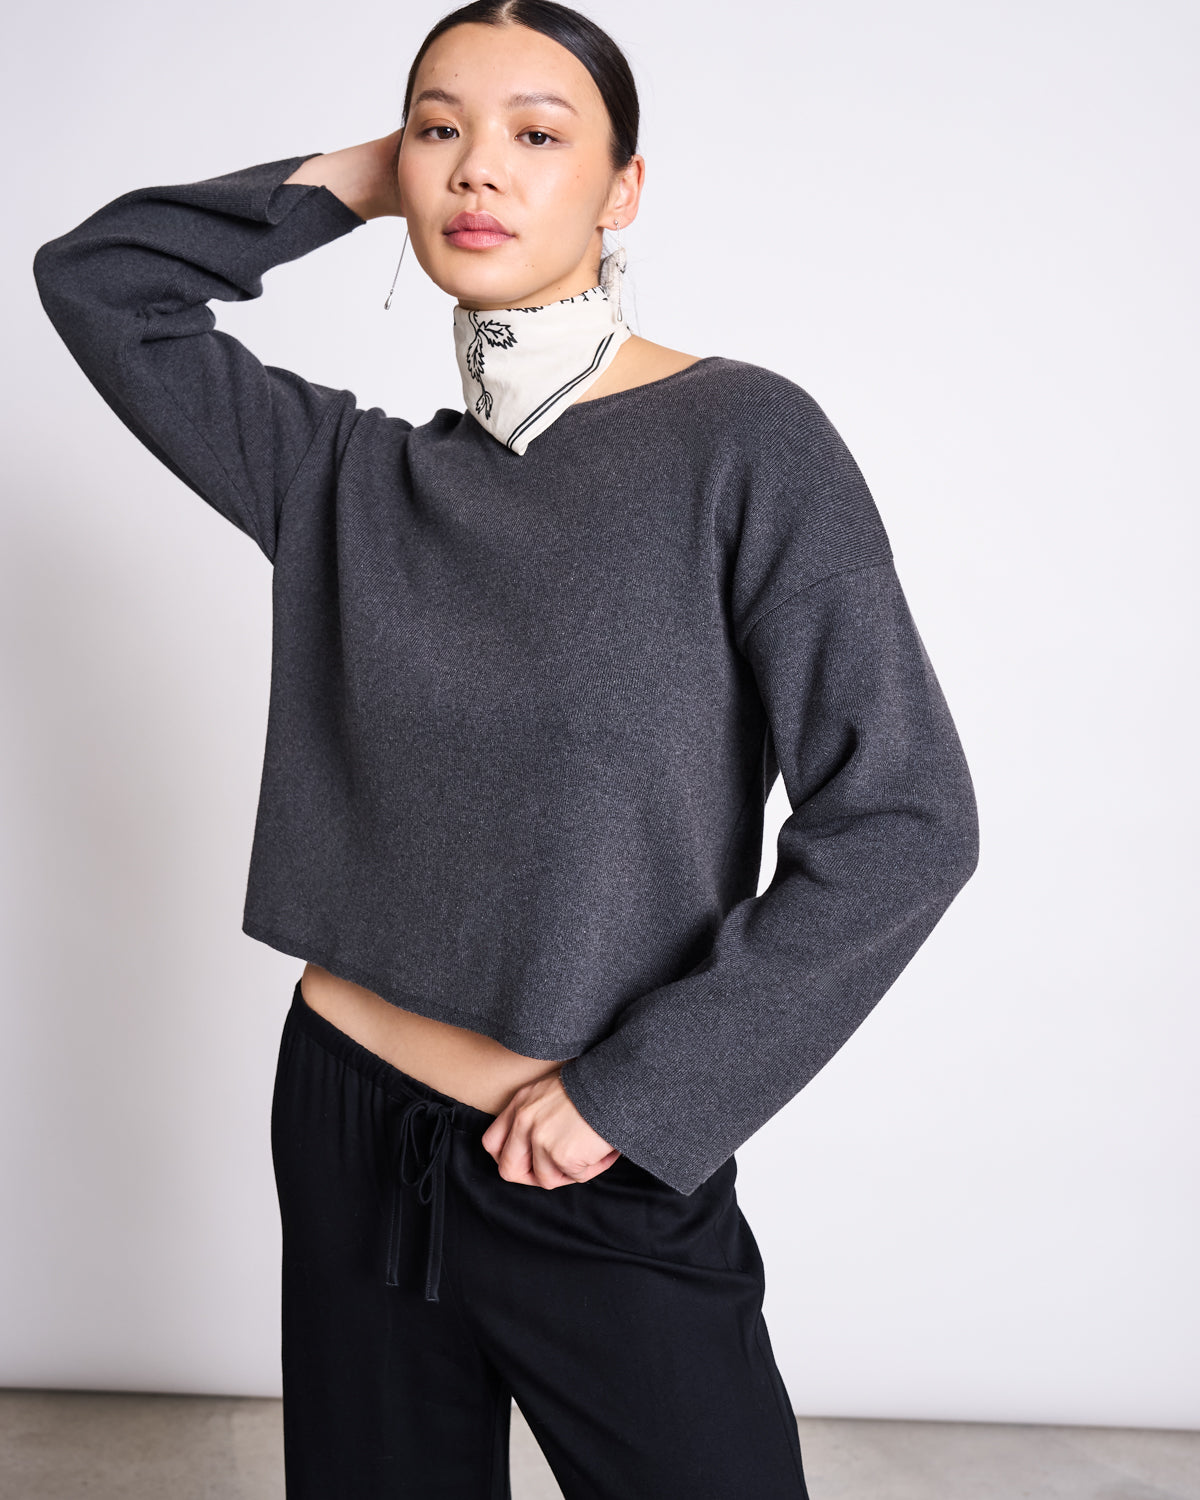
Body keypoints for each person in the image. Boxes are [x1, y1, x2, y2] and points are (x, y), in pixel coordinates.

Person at [31, 1, 980, 1495]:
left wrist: (641, 1099)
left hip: (587, 1149)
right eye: (440, 129)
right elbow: (103, 284)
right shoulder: (352, 478)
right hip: (345, 1124)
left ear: (624, 193)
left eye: (538, 135)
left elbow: (906, 817)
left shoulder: (746, 442)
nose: (480, 170)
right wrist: (367, 173)